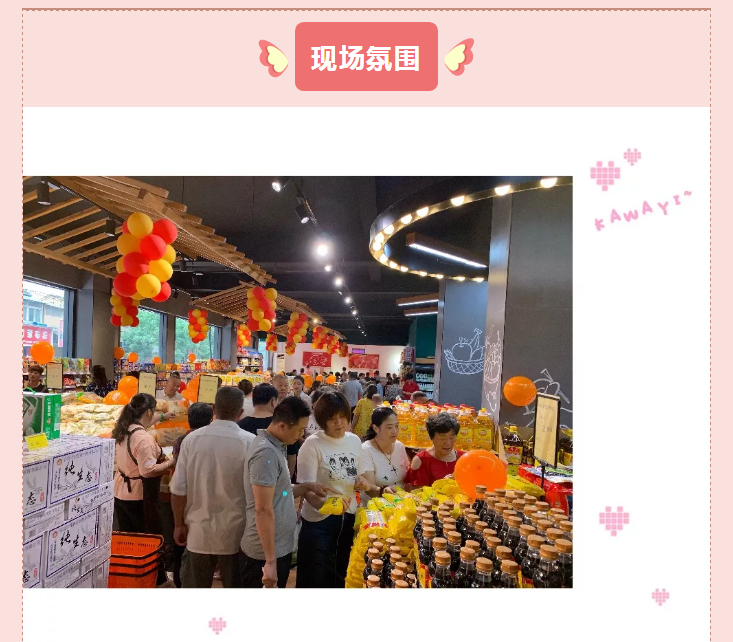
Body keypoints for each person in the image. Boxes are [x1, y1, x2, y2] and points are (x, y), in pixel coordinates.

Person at [240, 397, 333, 588]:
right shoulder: (265, 454)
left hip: (278, 548)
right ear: (282, 425)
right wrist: (270, 561)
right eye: (299, 430)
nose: (301, 435)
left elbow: (280, 493)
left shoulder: (275, 446)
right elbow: (262, 509)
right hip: (264, 554)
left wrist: (307, 487)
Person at [171, 386, 253, 588]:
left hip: (198, 531)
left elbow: (178, 489)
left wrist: (179, 524)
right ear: (241, 412)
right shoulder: (250, 442)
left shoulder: (191, 440)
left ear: (214, 408)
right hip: (237, 533)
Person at [296, 392, 369, 588]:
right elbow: (306, 490)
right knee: (316, 577)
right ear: (322, 421)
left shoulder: (354, 441)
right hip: (319, 523)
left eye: (342, 417)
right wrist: (327, 505)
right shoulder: (312, 445)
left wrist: (360, 480)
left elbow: (357, 474)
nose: (338, 423)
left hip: (348, 518)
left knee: (342, 573)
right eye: (332, 419)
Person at [113, 393, 175, 585]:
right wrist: (172, 462)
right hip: (139, 496)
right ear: (148, 411)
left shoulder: (124, 428)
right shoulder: (143, 438)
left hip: (121, 492)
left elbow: (147, 424)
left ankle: (131, 577)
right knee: (148, 541)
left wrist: (163, 416)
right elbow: (147, 471)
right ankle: (152, 578)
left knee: (129, 540)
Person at [170, 402, 214, 588]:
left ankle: (180, 579)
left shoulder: (181, 440)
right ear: (210, 420)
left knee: (181, 542)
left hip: (183, 499)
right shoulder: (209, 442)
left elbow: (177, 472)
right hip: (202, 500)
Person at [359, 406, 411, 501]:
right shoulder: (366, 450)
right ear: (376, 428)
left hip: (401, 503)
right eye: (389, 427)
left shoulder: (399, 446)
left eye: (396, 426)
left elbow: (408, 478)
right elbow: (369, 488)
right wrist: (382, 491)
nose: (394, 431)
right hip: (377, 504)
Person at [404, 412, 466, 488]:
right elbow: (417, 493)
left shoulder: (463, 458)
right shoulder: (421, 460)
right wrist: (441, 485)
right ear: (431, 437)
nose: (448, 443)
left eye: (451, 438)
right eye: (442, 438)